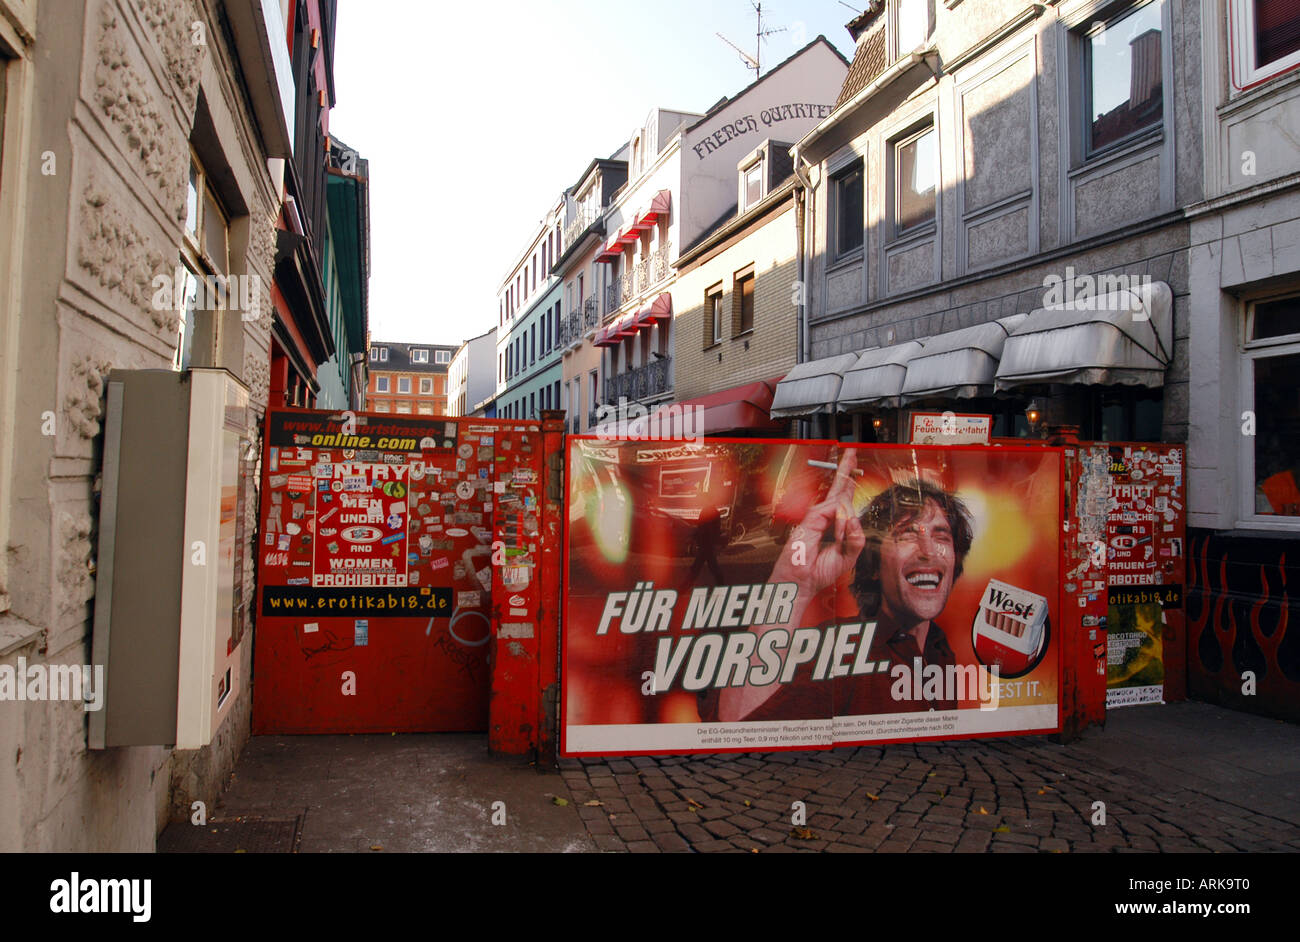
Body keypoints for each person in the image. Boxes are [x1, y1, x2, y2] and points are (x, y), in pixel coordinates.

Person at [714, 448, 975, 721]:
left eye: (941, 536)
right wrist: (793, 583)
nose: (928, 551)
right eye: (907, 535)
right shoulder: (841, 648)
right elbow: (741, 720)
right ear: (874, 564)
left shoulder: (940, 649)